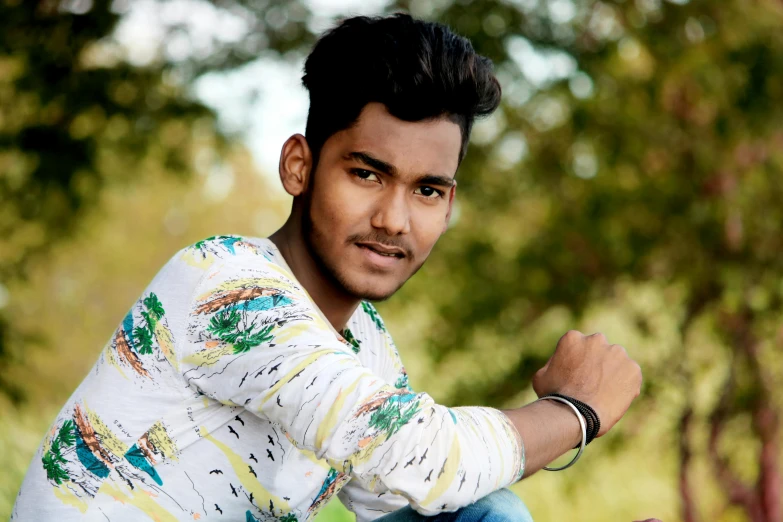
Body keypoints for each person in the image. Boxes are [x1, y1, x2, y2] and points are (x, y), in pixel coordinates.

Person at [12, 14, 652, 522]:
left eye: (427, 190)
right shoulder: (225, 285)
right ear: (300, 165)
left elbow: (410, 496)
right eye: (367, 174)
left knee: (481, 512)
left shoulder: (365, 344)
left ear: (449, 203)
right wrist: (578, 411)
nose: (394, 220)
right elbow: (420, 455)